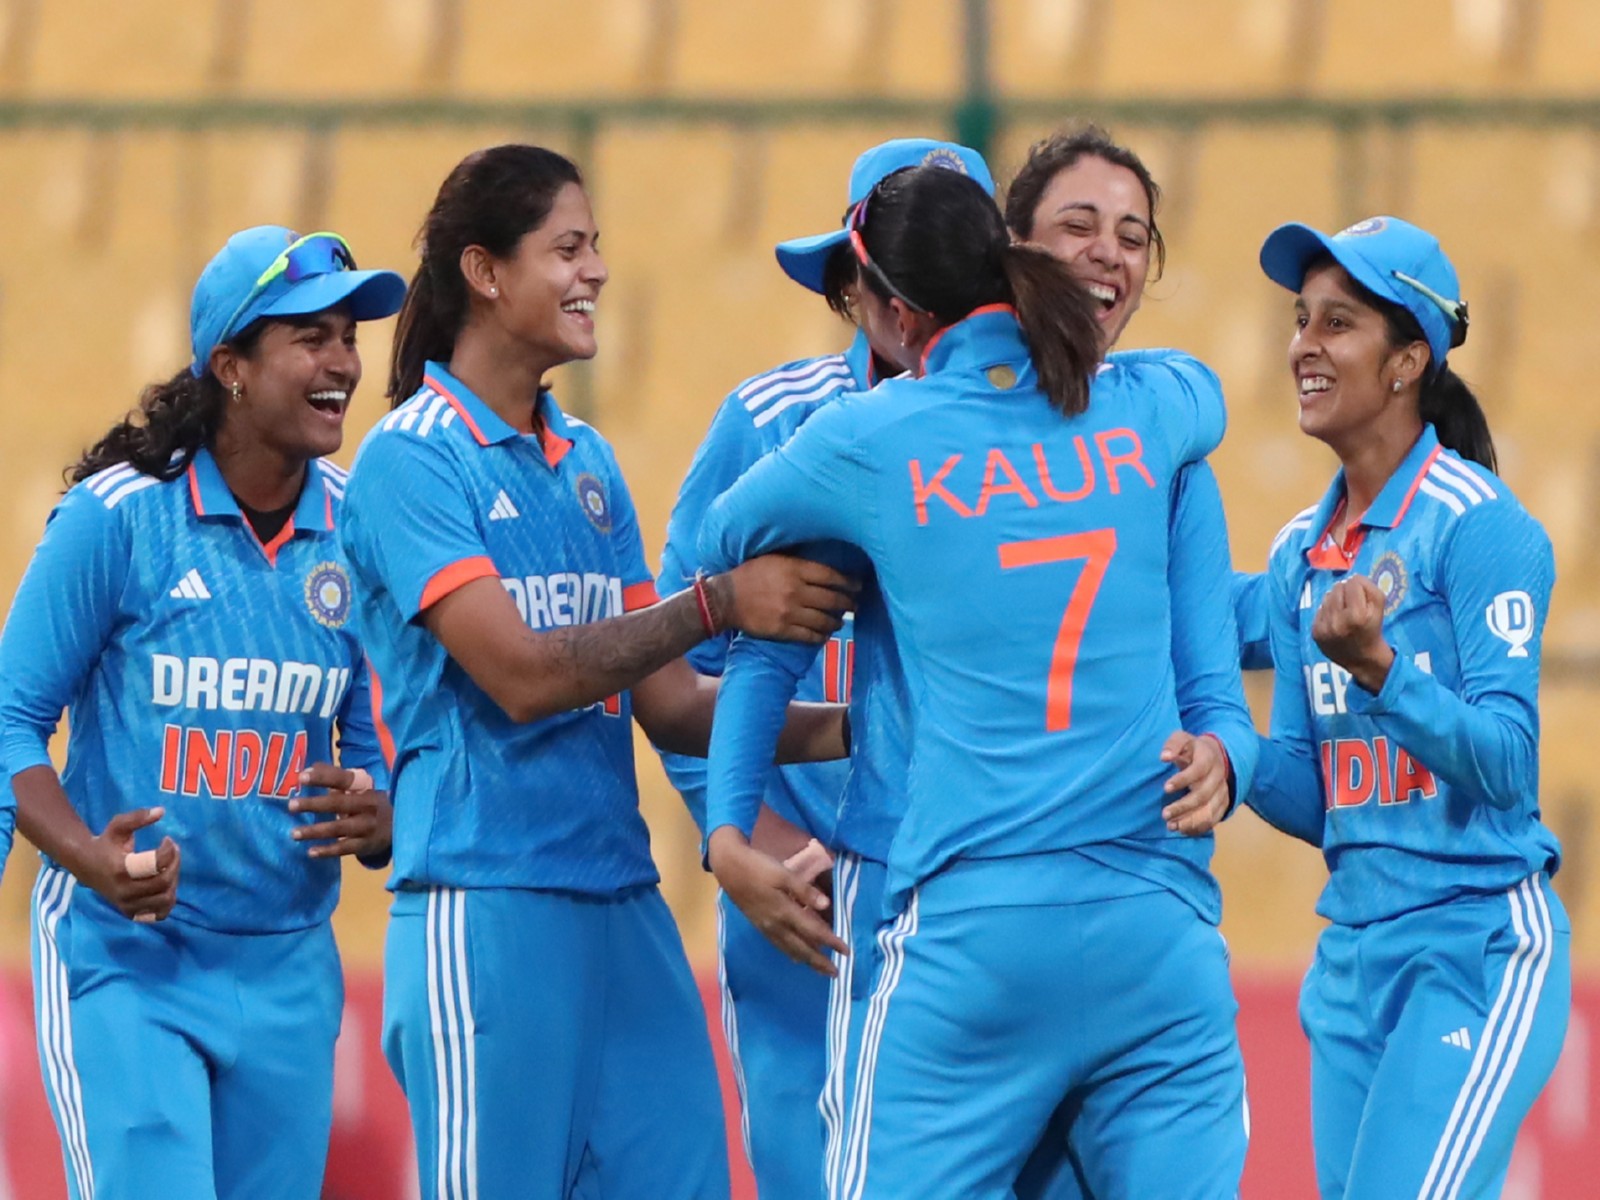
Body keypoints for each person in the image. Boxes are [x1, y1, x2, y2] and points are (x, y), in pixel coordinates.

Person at [700, 164, 1249, 1199]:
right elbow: (1207, 399)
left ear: (898, 314)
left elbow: (720, 534)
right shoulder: (1152, 409)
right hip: (1157, 932)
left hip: (972, 933)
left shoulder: (869, 438)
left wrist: (728, 824)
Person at [339, 143, 855, 1200]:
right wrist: (716, 603)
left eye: (598, 248)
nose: (598, 272)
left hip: (623, 907)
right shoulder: (410, 458)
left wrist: (866, 725)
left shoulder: (591, 465)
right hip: (483, 907)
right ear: (485, 273)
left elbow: (669, 707)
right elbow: (523, 676)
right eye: (568, 249)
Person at [0, 225, 406, 1199]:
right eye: (311, 336)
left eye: (349, 336)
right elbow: (11, 718)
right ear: (230, 364)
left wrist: (379, 808)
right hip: (129, 964)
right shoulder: (118, 518)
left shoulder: (358, 525)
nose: (344, 363)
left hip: (289, 970)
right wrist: (88, 856)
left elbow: (363, 737)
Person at [1236, 216, 1570, 1199]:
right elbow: (1313, 794)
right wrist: (1226, 752)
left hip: (1473, 946)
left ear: (1404, 362)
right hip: (1351, 963)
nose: (1302, 344)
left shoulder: (1481, 528)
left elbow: (1509, 764)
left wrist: (1384, 671)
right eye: (1301, 319)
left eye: (1336, 323)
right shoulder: (1302, 550)